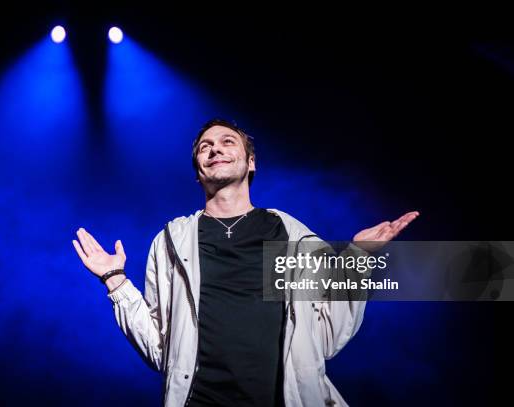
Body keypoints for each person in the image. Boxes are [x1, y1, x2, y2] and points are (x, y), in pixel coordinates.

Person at [72, 118, 419, 406]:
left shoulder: (286, 234)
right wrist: (115, 280)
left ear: (250, 162)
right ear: (198, 171)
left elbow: (327, 336)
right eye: (205, 147)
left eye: (227, 142)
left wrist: (358, 256)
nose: (215, 149)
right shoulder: (171, 242)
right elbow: (163, 350)